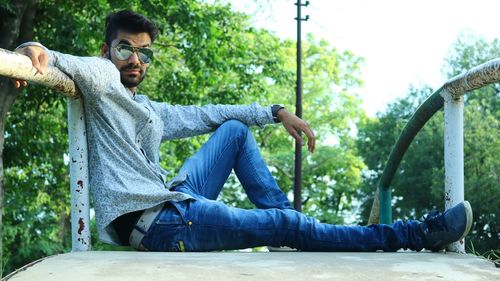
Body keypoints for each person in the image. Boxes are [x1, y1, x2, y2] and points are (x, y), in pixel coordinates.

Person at [13, 10, 472, 252]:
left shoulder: (150, 109)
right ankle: (414, 234)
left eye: (144, 53)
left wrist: (275, 111)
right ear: (107, 51)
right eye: (124, 49)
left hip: (171, 197)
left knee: (232, 129)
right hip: (157, 224)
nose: (135, 59)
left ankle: (290, 231)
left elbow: (211, 113)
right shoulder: (102, 76)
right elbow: (52, 57)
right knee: (285, 224)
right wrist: (29, 50)